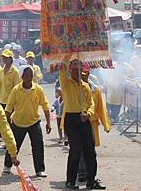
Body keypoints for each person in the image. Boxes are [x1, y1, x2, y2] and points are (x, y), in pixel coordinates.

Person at [59, 60, 105, 190]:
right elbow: (62, 71)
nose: (77, 72)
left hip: (84, 118)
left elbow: (91, 104)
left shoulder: (85, 86)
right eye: (74, 69)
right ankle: (70, 181)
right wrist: (68, 56)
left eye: (79, 70)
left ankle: (92, 180)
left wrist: (88, 114)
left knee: (90, 150)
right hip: (71, 119)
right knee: (76, 149)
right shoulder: (66, 83)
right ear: (70, 71)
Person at [4, 64, 51, 177]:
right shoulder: (16, 90)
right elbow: (9, 108)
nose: (29, 78)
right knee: (14, 145)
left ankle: (39, 169)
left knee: (38, 145)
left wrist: (48, 122)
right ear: (22, 76)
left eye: (31, 75)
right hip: (18, 122)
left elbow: (45, 105)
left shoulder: (38, 89)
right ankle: (7, 166)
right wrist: (5, 125)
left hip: (34, 121)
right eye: (26, 75)